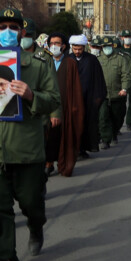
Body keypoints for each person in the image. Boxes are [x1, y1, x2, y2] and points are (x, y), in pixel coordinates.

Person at [0, 8, 60, 261]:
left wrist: (31, 95)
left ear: (22, 31)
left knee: (30, 202)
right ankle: (6, 257)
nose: (7, 32)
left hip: (26, 148)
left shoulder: (38, 65)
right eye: (2, 27)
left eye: (12, 27)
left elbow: (53, 100)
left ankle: (36, 226)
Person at [43, 33, 84, 176]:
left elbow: (75, 87)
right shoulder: (44, 61)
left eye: (57, 43)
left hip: (65, 107)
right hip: (46, 107)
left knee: (62, 137)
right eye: (52, 43)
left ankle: (62, 164)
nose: (54, 46)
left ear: (64, 46)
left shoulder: (70, 63)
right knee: (47, 137)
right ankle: (48, 163)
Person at [67, 34, 106, 158]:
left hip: (88, 99)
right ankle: (73, 149)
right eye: (75, 49)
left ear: (84, 48)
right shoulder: (67, 60)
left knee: (86, 124)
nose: (77, 52)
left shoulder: (91, 60)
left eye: (80, 49)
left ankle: (83, 148)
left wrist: (98, 97)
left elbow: (98, 79)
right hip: (71, 99)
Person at [97, 36, 131, 148]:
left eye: (108, 46)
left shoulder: (120, 58)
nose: (106, 48)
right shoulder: (97, 59)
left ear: (112, 46)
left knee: (118, 116)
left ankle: (114, 133)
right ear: (101, 47)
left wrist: (124, 88)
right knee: (103, 117)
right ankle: (105, 139)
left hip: (118, 94)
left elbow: (126, 75)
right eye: (104, 46)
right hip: (103, 95)